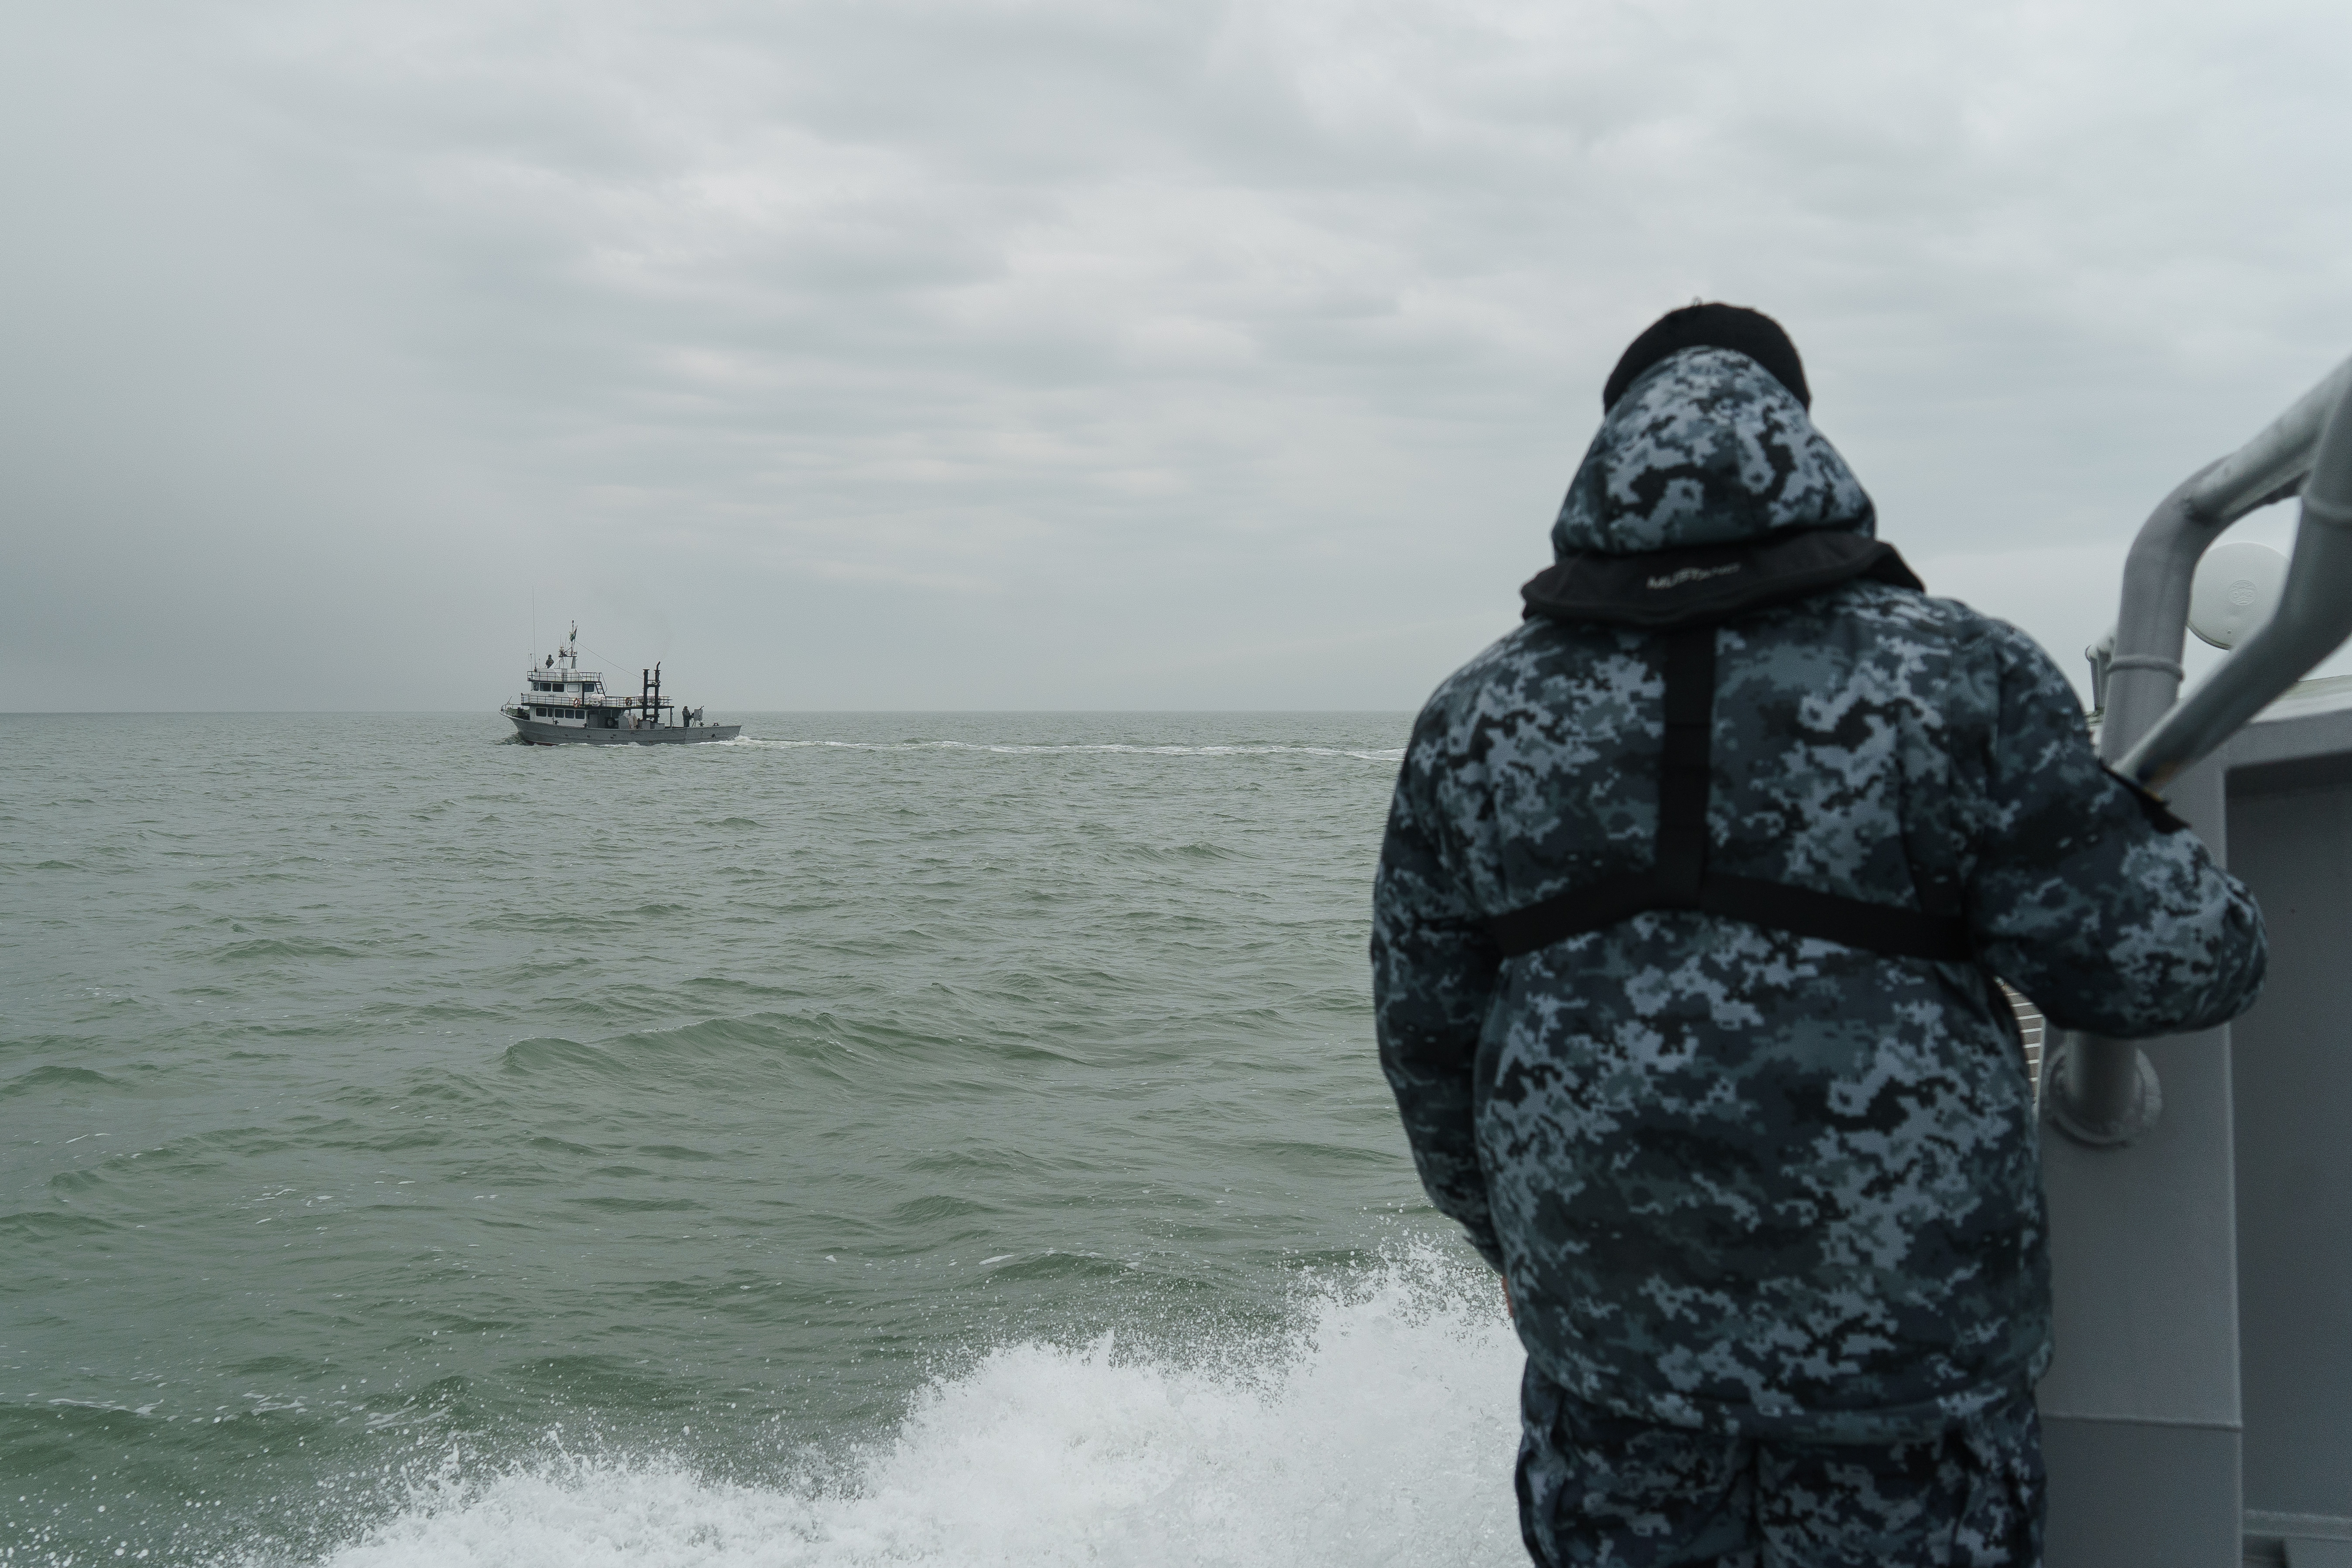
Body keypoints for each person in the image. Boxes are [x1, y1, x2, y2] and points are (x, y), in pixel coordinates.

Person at [1370, 303, 2268, 1568]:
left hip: (1612, 1378)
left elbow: (1425, 1039)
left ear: (1609, 453)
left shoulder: (1472, 718)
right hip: (1909, 1386)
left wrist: (1498, 1239)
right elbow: (2176, 960)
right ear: (1803, 443)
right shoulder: (1962, 678)